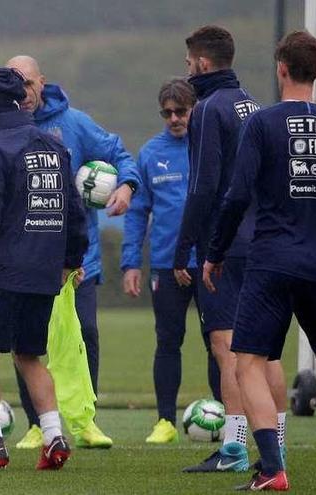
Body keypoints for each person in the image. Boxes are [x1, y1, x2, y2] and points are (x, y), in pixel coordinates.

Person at [205, 30, 316, 491]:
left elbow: (236, 195)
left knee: (248, 362)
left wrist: (215, 253)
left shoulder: (261, 125)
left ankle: (272, 469)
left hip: (269, 264)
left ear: (281, 69)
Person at [0, 67, 88, 471]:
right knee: (31, 356)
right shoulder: (54, 146)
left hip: (5, 270)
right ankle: (54, 436)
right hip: (45, 272)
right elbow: (75, 213)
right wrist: (71, 261)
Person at [5, 54, 139, 450]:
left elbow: (120, 154)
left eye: (28, 83)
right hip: (27, 258)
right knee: (28, 341)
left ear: (42, 82)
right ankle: (36, 423)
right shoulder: (5, 128)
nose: (23, 92)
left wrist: (127, 185)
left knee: (85, 336)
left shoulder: (75, 124)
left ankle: (85, 423)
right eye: (14, 84)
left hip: (79, 261)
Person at [173, 25, 288, 473]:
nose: (187, 71)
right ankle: (275, 446)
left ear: (202, 63)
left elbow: (203, 188)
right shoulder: (253, 105)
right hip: (263, 240)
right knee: (267, 352)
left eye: (188, 64)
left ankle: (235, 449)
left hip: (227, 245)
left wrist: (185, 247)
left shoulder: (208, 109)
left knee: (228, 348)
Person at [120, 78, 221, 444]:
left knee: (218, 342)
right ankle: (165, 421)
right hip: (165, 264)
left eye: (181, 111)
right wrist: (131, 262)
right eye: (167, 113)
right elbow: (137, 212)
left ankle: (225, 414)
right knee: (167, 340)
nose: (174, 118)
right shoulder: (150, 154)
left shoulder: (212, 148)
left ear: (195, 109)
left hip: (211, 263)